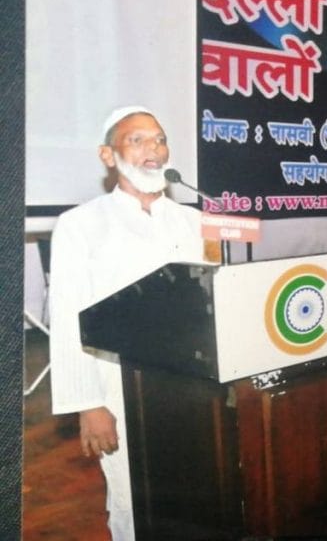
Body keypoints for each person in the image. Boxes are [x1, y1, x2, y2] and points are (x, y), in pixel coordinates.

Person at [48, 106, 208, 541]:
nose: (153, 150)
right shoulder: (80, 225)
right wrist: (89, 404)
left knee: (198, 493)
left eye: (159, 139)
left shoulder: (195, 220)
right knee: (132, 499)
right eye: (137, 140)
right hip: (118, 387)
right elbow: (67, 317)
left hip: (194, 386)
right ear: (107, 155)